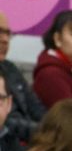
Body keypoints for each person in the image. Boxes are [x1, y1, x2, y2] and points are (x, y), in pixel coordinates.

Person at [0, 10, 48, 142]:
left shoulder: (10, 68)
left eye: (7, 34)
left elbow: (36, 107)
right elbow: (4, 121)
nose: (5, 40)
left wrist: (53, 128)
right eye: (0, 32)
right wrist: (45, 132)